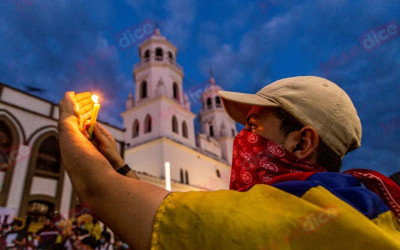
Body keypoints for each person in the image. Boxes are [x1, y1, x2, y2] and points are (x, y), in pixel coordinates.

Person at [58, 76, 400, 249]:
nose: (242, 139)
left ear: (302, 142)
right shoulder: (357, 198)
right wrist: (121, 167)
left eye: (253, 126)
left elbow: (99, 191)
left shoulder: (287, 211)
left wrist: (68, 124)